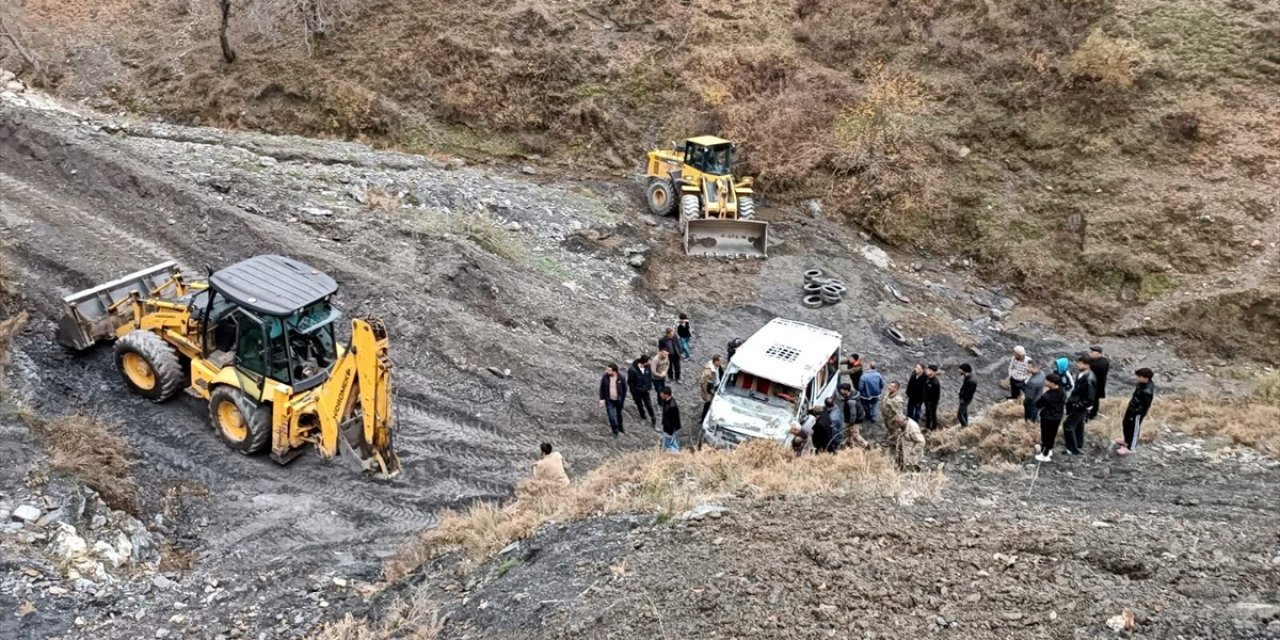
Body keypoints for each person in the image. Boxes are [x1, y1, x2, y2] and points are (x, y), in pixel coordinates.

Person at [1117, 368, 1155, 457]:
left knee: (1134, 429)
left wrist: (1135, 412)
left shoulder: (1147, 391)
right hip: (1132, 407)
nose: (1137, 378)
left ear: (1146, 378)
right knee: (1126, 424)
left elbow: (1144, 406)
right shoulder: (1141, 384)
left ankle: (1131, 448)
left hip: (1137, 413)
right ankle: (1126, 440)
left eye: (1139, 376)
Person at [1063, 355, 1096, 455]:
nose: (1078, 365)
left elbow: (1089, 398)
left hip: (1080, 406)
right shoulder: (1082, 374)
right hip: (1078, 404)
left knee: (1068, 426)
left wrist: (1078, 405)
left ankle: (1072, 449)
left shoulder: (1089, 379)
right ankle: (1078, 444)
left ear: (1087, 365)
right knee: (1078, 425)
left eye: (1081, 363)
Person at [1034, 374, 1066, 462]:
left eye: (1047, 381)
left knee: (1045, 436)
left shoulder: (1047, 395)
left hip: (1047, 417)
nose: (1045, 382)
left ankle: (1045, 455)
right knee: (1052, 435)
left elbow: (1038, 404)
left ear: (1052, 383)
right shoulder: (1062, 391)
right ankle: (1048, 450)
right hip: (1058, 417)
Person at [627, 355, 657, 430]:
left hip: (645, 391)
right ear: (644, 362)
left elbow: (649, 377)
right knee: (639, 405)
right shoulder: (632, 370)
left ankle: (653, 419)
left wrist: (649, 387)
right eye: (649, 362)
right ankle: (643, 417)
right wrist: (633, 392)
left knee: (649, 404)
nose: (650, 363)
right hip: (636, 392)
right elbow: (630, 382)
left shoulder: (648, 367)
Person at [598, 363, 628, 438]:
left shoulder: (621, 377)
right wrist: (602, 399)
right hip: (609, 400)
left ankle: (621, 428)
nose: (607, 371)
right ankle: (615, 431)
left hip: (618, 400)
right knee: (611, 416)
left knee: (619, 415)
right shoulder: (605, 377)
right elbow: (602, 388)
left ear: (614, 371)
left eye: (609, 370)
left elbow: (624, 389)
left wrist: (622, 399)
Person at [838, 383, 868, 448]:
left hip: (856, 420)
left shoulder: (851, 401)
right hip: (859, 415)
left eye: (841, 390)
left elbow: (853, 414)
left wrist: (851, 423)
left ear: (846, 390)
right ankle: (850, 444)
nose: (840, 391)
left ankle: (865, 445)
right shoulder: (852, 395)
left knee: (855, 435)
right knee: (848, 432)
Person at [698, 355, 724, 421]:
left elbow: (721, 373)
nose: (721, 362)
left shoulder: (718, 366)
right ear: (716, 361)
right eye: (720, 361)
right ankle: (703, 417)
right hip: (711, 388)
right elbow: (704, 381)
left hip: (718, 385)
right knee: (708, 403)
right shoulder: (709, 370)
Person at [1088, 346, 1111, 421]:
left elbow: (1095, 369)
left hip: (1097, 385)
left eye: (1092, 352)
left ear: (1098, 353)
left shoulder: (1102, 362)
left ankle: (1092, 415)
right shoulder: (1095, 361)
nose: (1090, 354)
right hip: (1094, 384)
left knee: (1094, 400)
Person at [659, 387, 682, 452]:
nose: (660, 394)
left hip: (671, 430)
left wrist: (670, 433)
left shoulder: (672, 406)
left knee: (673, 445)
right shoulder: (665, 401)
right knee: (668, 443)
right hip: (667, 427)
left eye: (662, 393)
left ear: (666, 395)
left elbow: (673, 421)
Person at [957, 363, 976, 428]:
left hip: (965, 399)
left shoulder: (971, 381)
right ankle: (966, 424)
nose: (959, 370)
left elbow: (970, 393)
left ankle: (964, 427)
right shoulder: (967, 377)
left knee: (959, 415)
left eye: (960, 369)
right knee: (964, 412)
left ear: (964, 370)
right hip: (964, 398)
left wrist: (963, 399)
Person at [923, 364, 942, 431]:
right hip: (926, 400)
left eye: (929, 370)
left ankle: (934, 428)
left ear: (933, 372)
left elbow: (937, 395)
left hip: (932, 402)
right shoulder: (927, 378)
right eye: (927, 369)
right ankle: (927, 427)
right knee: (927, 414)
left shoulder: (935, 383)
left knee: (933, 415)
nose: (927, 371)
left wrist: (932, 403)